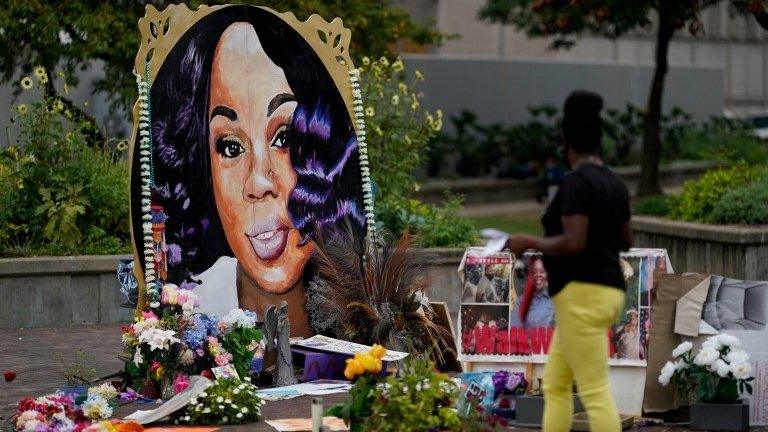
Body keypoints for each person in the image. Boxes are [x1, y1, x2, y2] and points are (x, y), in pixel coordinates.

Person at [130, 6, 366, 336]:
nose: (257, 182)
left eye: (284, 137)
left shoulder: (360, 309)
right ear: (206, 171)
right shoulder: (195, 306)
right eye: (230, 147)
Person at [505, 90, 632, 432]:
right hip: (606, 293)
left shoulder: (576, 183)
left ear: (566, 144)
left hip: (582, 295)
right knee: (557, 385)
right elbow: (627, 240)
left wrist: (527, 242)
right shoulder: (614, 182)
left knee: (594, 391)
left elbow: (574, 243)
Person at [510, 256, 554, 328]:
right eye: (534, 272)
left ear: (547, 275)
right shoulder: (521, 301)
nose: (538, 275)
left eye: (542, 271)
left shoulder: (555, 299)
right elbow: (516, 330)